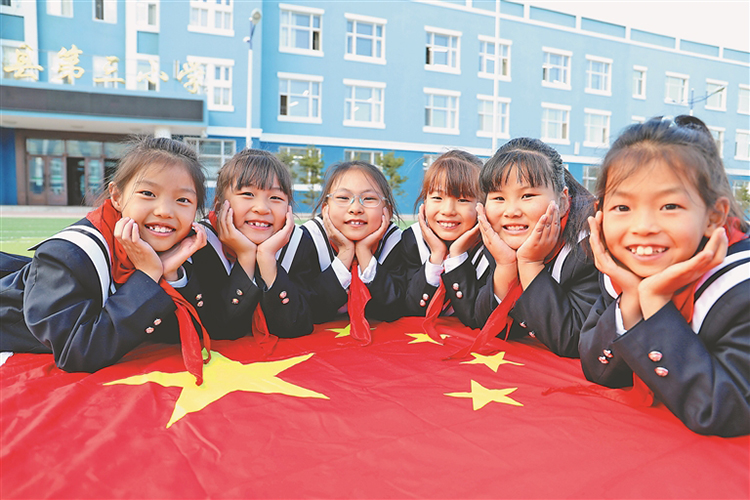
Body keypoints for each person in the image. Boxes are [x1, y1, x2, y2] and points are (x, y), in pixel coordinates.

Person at [579, 116, 749, 437]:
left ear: (714, 216)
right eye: (622, 207)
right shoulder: (622, 272)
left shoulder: (739, 288)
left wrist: (655, 303)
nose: (643, 227)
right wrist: (632, 297)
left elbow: (724, 411)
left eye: (669, 206)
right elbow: (599, 370)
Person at [0, 137, 209, 381]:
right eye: (148, 193)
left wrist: (169, 273)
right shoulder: (67, 254)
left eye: (183, 200)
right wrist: (148, 276)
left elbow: (176, 333)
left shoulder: (181, 248)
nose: (164, 211)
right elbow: (78, 352)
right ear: (117, 196)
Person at [459, 137, 598, 358]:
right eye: (498, 198)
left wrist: (530, 264)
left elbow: (573, 339)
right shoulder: (499, 236)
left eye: (527, 196)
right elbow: (486, 323)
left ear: (562, 201)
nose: (511, 212)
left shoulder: (587, 246)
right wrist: (506, 266)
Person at [187, 149, 318, 341]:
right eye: (248, 194)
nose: (262, 208)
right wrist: (246, 257)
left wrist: (267, 260)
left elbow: (297, 325)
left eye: (276, 198)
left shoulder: (298, 243)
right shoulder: (200, 243)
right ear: (219, 205)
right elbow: (218, 329)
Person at [302, 160, 405, 335]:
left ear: (387, 210)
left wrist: (364, 253)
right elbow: (310, 311)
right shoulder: (308, 239)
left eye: (369, 199)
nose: (356, 208)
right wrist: (345, 253)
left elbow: (393, 310)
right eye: (343, 198)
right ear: (325, 208)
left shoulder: (396, 242)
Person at [401, 150, 487, 330]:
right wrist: (436, 256)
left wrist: (456, 256)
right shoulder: (412, 240)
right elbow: (411, 308)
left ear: (482, 206)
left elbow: (476, 317)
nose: (448, 210)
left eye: (463, 200)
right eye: (437, 198)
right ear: (424, 202)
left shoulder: (489, 248)